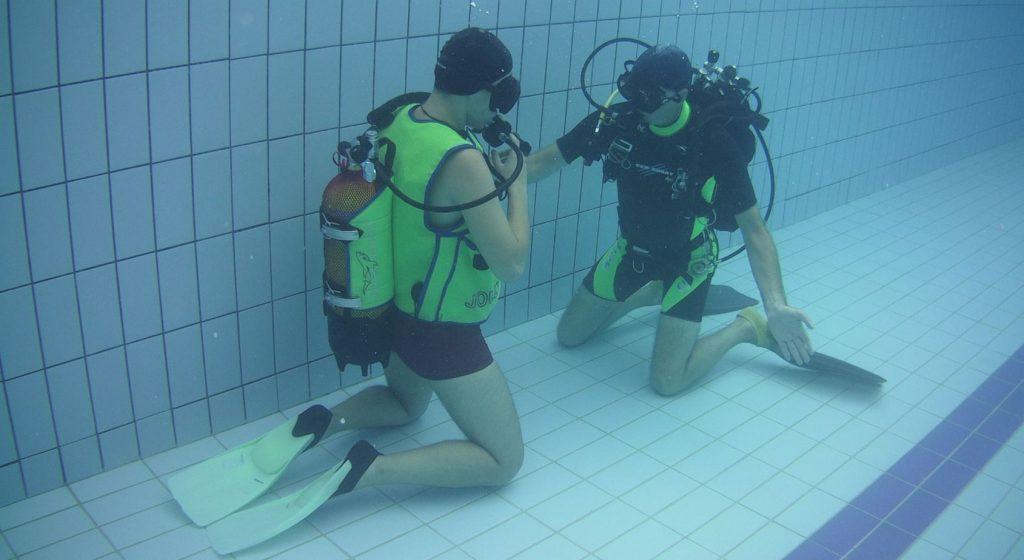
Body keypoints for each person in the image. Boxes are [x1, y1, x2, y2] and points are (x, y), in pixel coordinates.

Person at [527, 44, 813, 396]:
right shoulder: (617, 122)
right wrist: (491, 177)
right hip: (632, 249)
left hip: (689, 259)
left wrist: (774, 305)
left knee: (667, 382)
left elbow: (754, 229)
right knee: (568, 336)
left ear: (679, 95)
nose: (635, 103)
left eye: (646, 96)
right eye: (633, 90)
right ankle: (651, 293)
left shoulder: (712, 141)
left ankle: (745, 329)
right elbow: (540, 164)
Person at [317, 27, 530, 491]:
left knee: (407, 403)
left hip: (395, 313)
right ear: (481, 89)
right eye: (500, 96)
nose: (499, 109)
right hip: (440, 328)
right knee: (503, 461)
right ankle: (369, 470)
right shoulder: (463, 161)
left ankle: (322, 422)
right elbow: (511, 264)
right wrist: (517, 184)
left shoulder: (401, 120)